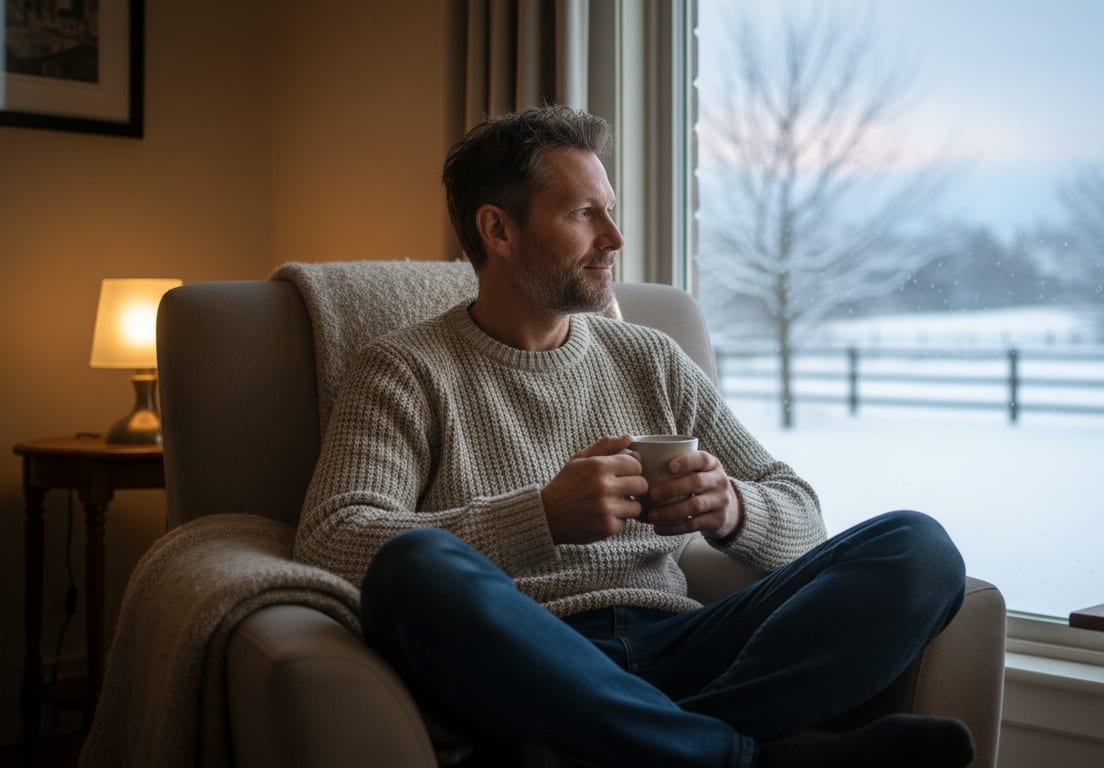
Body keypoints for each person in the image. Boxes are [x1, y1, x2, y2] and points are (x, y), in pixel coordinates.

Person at [295, 105, 973, 768]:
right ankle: (738, 755)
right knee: (414, 570)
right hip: (527, 659)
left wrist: (733, 508)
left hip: (679, 645)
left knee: (918, 549)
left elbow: (801, 512)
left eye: (609, 210)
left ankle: (631, 745)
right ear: (498, 231)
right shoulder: (404, 370)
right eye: (584, 214)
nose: (615, 238)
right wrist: (541, 518)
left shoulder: (650, 357)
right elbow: (333, 541)